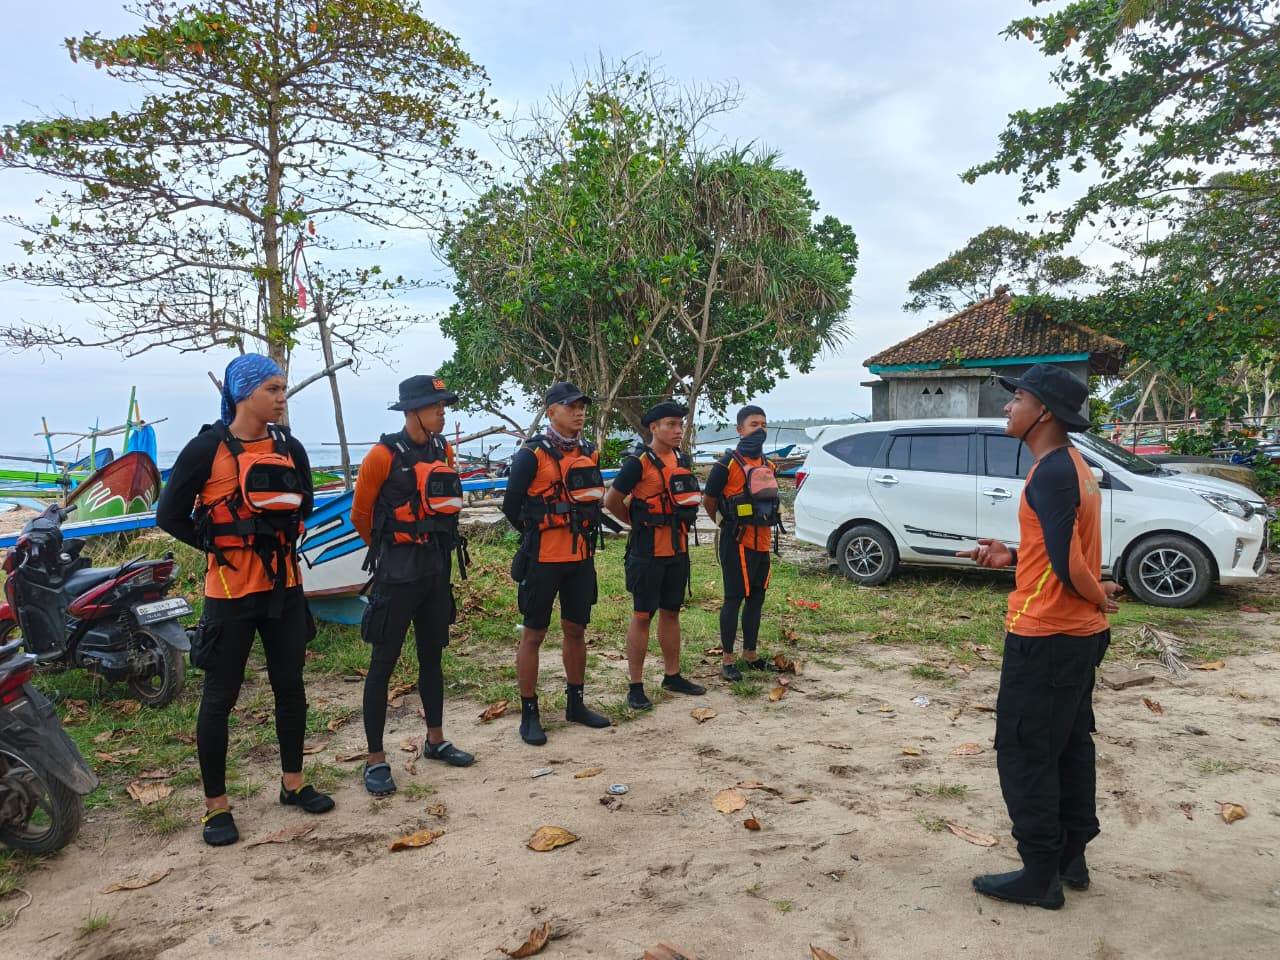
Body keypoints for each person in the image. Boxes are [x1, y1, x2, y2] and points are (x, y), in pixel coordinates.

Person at [956, 363, 1119, 909]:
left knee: (1025, 751)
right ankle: (1071, 854)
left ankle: (1039, 875)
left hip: (1047, 634)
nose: (1007, 406)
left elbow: (1072, 565)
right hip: (1076, 637)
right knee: (1068, 745)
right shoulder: (1074, 466)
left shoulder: (1051, 471)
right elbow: (1059, 553)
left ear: (1043, 411)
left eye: (1017, 397)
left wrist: (1098, 593)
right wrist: (1013, 555)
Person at [157, 354, 334, 847]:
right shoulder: (206, 448)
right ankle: (216, 808)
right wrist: (217, 544)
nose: (282, 397)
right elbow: (169, 515)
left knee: (290, 687)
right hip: (231, 592)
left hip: (284, 588)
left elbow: (306, 504)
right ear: (244, 394)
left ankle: (293, 782)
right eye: (273, 389)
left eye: (283, 389)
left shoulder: (290, 447)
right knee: (220, 698)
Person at [350, 374, 474, 797]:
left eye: (444, 404)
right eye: (435, 405)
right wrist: (394, 547)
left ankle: (436, 740)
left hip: (435, 572)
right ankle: (374, 760)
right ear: (412, 411)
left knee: (432, 657)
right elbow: (361, 516)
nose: (443, 411)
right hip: (397, 575)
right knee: (383, 664)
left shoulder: (444, 449)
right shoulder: (382, 456)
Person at [501, 382, 612, 745]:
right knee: (533, 634)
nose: (579, 411)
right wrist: (538, 531)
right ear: (551, 412)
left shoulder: (590, 452)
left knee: (576, 630)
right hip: (543, 559)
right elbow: (511, 506)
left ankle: (575, 703)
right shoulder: (531, 454)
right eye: (571, 406)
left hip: (580, 558)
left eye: (582, 406)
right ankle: (529, 712)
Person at [604, 400, 707, 711]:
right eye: (671, 425)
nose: (678, 430)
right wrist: (638, 522)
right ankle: (635, 685)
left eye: (680, 425)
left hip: (677, 549)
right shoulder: (638, 463)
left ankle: (672, 675)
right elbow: (612, 500)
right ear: (653, 428)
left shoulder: (682, 459)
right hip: (646, 551)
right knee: (641, 615)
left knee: (671, 612)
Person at [702, 405, 782, 681]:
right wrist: (725, 523)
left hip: (762, 542)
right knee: (733, 599)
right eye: (753, 425)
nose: (760, 430)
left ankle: (751, 654)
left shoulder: (768, 466)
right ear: (739, 430)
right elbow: (709, 500)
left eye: (763, 424)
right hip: (735, 542)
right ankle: (727, 659)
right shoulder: (726, 465)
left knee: (756, 599)